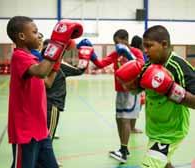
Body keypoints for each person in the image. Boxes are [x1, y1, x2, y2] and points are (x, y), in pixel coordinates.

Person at [7, 16, 83, 168]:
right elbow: (42, 72)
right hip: (25, 131)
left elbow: (48, 82)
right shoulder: (19, 56)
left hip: (41, 129)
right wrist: (58, 43)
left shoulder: (33, 58)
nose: (39, 36)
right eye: (35, 32)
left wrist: (60, 53)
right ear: (22, 36)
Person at [116, 25, 195, 168]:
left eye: (149, 46)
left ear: (164, 44)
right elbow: (136, 90)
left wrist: (171, 89)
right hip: (155, 129)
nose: (145, 51)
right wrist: (127, 83)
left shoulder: (178, 66)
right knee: (165, 164)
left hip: (171, 131)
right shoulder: (148, 66)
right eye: (143, 46)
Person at [77, 29, 144, 163]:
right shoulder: (116, 53)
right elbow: (101, 64)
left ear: (125, 39)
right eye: (114, 42)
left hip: (131, 91)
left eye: (117, 42)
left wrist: (128, 54)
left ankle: (123, 152)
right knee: (119, 118)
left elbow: (142, 67)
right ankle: (123, 148)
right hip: (119, 90)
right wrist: (91, 54)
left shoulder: (137, 52)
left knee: (125, 119)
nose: (116, 45)